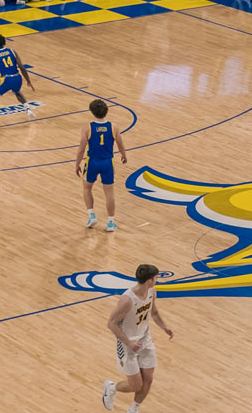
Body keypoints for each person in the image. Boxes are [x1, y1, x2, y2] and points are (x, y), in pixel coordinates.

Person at [101, 263, 172, 413]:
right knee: (135, 385)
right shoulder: (127, 300)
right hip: (127, 344)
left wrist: (164, 327)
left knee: (148, 380)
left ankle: (133, 409)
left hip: (145, 340)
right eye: (155, 278)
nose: (157, 280)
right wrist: (128, 342)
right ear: (149, 281)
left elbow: (155, 313)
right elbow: (111, 324)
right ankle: (111, 388)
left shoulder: (152, 292)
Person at [76, 98, 128, 233]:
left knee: (87, 188)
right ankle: (111, 223)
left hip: (92, 162)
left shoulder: (87, 128)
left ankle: (91, 215)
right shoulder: (113, 127)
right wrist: (124, 155)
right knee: (109, 193)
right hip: (107, 162)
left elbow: (81, 148)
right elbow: (120, 143)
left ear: (92, 112)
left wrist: (77, 164)